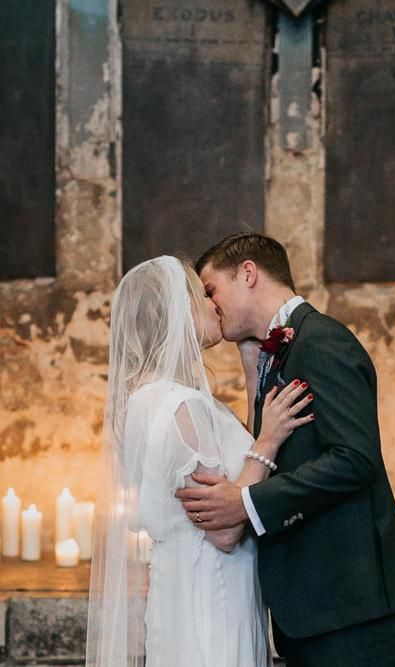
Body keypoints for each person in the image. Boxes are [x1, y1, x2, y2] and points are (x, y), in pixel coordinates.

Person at [176, 234, 395, 667]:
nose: (210, 305)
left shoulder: (322, 341)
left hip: (350, 608)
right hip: (311, 609)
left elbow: (355, 458)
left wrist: (247, 504)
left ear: (249, 274)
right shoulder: (276, 352)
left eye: (212, 289)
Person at [85, 255, 313, 666]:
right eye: (203, 295)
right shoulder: (179, 406)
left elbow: (228, 469)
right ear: (180, 311)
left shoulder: (148, 400)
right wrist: (269, 440)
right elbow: (222, 531)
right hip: (212, 603)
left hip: (185, 596)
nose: (214, 304)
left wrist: (249, 370)